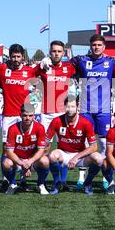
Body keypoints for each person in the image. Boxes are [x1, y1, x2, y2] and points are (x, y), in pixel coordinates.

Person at [42, 35, 115, 189]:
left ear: (104, 47)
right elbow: (60, 64)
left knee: (104, 144)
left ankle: (107, 178)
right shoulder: (81, 60)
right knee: (84, 144)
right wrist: (45, 60)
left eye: (99, 45)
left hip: (103, 111)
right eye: (94, 45)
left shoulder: (112, 61)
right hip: (85, 110)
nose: (96, 47)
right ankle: (81, 178)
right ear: (90, 46)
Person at [0, 44, 38, 190]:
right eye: (13, 56)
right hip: (9, 115)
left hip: (25, 114)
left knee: (25, 147)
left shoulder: (29, 70)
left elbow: (42, 73)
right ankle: (6, 178)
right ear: (9, 56)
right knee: (6, 147)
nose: (16, 59)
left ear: (22, 57)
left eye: (18, 56)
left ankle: (23, 178)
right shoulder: (2, 68)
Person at [35, 40, 76, 190]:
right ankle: (43, 181)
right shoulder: (44, 67)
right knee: (45, 148)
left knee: (63, 148)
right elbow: (28, 73)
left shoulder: (69, 67)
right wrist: (40, 64)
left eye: (59, 51)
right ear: (50, 52)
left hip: (62, 113)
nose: (56, 54)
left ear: (63, 53)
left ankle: (61, 181)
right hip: (46, 113)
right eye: (54, 51)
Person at [46, 96, 104, 195]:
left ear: (78, 107)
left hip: (80, 156)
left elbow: (94, 147)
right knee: (52, 156)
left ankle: (87, 183)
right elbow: (46, 142)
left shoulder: (86, 123)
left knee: (99, 158)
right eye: (68, 106)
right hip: (63, 154)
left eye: (73, 106)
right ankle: (57, 183)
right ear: (64, 107)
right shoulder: (56, 121)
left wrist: (76, 157)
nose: (70, 109)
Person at [2, 103, 50, 195]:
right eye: (25, 115)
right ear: (20, 115)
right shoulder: (12, 128)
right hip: (18, 160)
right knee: (6, 163)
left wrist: (29, 162)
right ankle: (13, 184)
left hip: (32, 160)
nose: (27, 118)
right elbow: (9, 151)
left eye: (30, 115)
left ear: (34, 116)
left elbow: (41, 150)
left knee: (45, 161)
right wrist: (22, 163)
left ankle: (40, 184)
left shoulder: (40, 128)